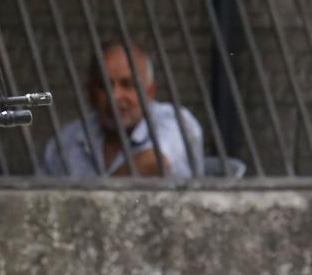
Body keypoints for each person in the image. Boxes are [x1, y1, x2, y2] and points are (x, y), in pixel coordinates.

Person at [43, 41, 203, 177]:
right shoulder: (66, 141)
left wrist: (97, 198)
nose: (115, 96)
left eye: (128, 85)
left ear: (150, 91)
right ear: (90, 93)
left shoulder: (175, 121)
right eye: (104, 85)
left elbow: (155, 161)